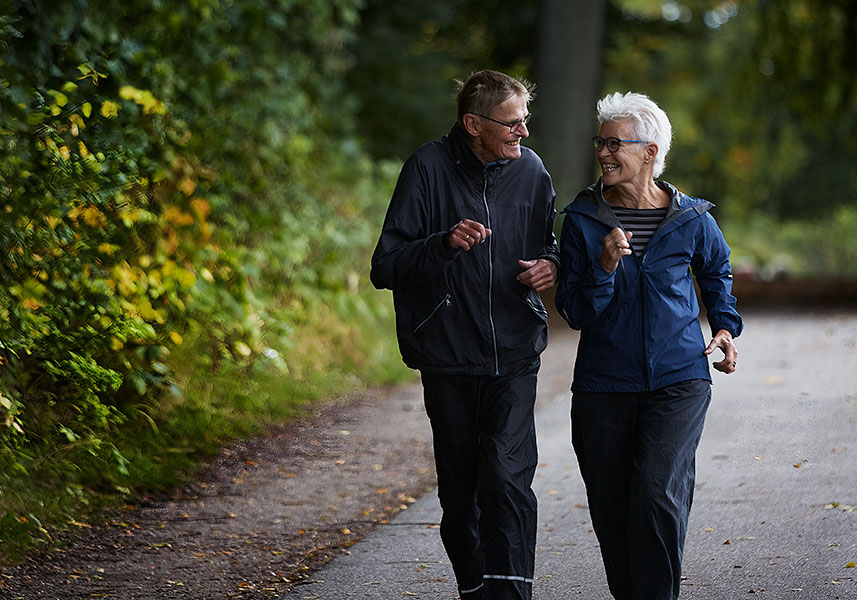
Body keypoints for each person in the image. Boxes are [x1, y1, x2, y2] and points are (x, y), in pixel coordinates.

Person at [370, 69, 559, 600]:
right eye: (512, 122)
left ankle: (512, 593)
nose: (523, 132)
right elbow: (384, 268)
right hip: (449, 356)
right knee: (462, 493)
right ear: (473, 123)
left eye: (526, 120)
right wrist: (443, 244)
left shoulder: (532, 172)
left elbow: (551, 245)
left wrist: (551, 267)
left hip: (516, 351)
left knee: (506, 477)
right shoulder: (426, 169)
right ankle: (476, 589)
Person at [554, 91, 743, 600]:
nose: (603, 152)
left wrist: (725, 328)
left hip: (679, 380)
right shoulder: (584, 220)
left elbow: (716, 272)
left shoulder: (692, 218)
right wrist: (603, 268)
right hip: (603, 385)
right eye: (600, 142)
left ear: (650, 151)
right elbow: (574, 311)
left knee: (657, 496)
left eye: (615, 143)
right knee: (611, 506)